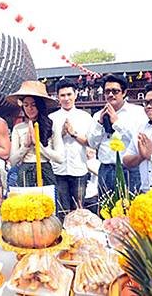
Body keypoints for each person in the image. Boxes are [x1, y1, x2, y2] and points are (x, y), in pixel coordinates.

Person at [88, 74, 147, 202]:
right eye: (107, 91)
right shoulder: (98, 115)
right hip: (106, 169)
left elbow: (139, 140)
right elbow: (92, 143)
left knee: (130, 210)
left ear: (124, 92)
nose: (111, 95)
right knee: (106, 211)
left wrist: (116, 123)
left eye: (115, 91)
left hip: (129, 169)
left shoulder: (137, 112)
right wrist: (99, 123)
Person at [48, 79, 94, 217]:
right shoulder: (52, 118)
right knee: (61, 208)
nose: (66, 98)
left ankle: (78, 235)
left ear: (76, 94)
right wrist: (60, 134)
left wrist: (73, 133)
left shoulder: (85, 117)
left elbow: (90, 142)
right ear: (57, 97)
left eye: (69, 94)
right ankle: (63, 235)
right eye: (62, 95)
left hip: (79, 168)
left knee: (78, 208)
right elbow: (48, 145)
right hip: (59, 169)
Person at [7, 81, 63, 187]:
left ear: (40, 106)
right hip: (25, 170)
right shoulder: (18, 128)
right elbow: (13, 160)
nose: (30, 108)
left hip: (45, 169)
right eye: (26, 105)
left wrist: (38, 145)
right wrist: (25, 146)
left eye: (34, 105)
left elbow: (60, 158)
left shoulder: (51, 125)